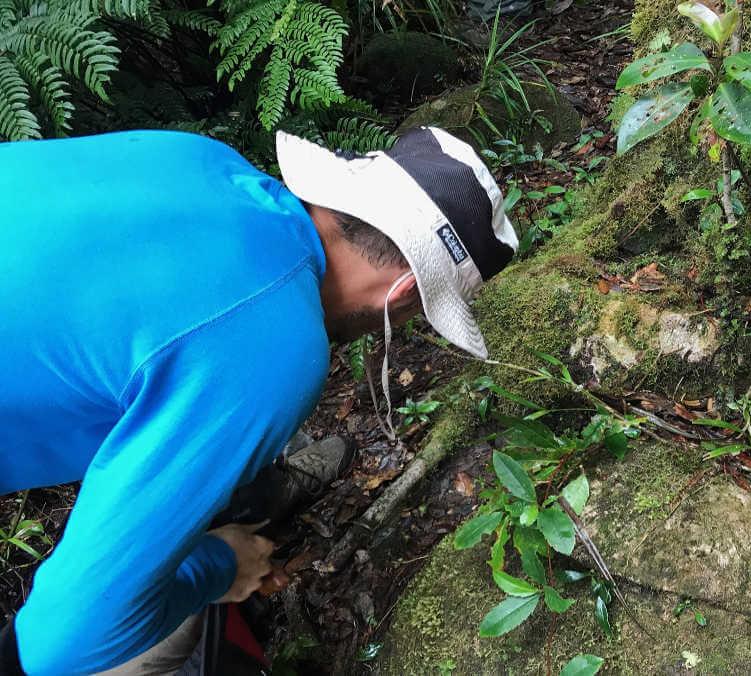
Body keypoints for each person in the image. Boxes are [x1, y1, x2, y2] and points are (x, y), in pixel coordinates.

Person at [0, 126, 518, 674]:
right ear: (405, 292)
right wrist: (223, 567)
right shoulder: (273, 345)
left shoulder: (198, 158)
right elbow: (66, 641)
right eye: (421, 315)